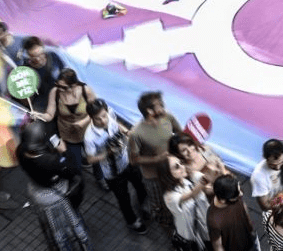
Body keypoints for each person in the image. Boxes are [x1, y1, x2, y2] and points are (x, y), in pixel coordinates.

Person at [17, 120, 91, 250]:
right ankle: (84, 243)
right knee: (73, 221)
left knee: (55, 228)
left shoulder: (20, 151)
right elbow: (72, 169)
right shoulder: (50, 161)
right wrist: (64, 152)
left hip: (37, 192)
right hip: (56, 196)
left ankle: (63, 247)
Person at [84, 99, 147, 234]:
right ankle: (132, 222)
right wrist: (107, 153)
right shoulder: (89, 137)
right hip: (113, 174)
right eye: (98, 118)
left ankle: (145, 206)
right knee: (123, 199)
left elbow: (116, 123)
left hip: (127, 161)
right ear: (91, 118)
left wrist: (126, 132)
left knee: (140, 185)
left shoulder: (110, 114)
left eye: (104, 116)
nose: (103, 120)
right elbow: (90, 159)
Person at [128, 91, 182, 227]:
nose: (163, 106)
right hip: (153, 177)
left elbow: (180, 134)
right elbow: (133, 160)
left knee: (176, 197)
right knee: (159, 205)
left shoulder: (168, 117)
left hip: (171, 170)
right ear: (149, 111)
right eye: (160, 105)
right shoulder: (136, 133)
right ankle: (165, 224)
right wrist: (156, 159)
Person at [39, 68, 97, 185]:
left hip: (88, 132)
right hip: (68, 134)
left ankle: (100, 178)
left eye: (64, 87)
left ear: (74, 85)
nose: (60, 89)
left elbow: (96, 111)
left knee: (95, 158)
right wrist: (39, 115)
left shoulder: (86, 91)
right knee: (75, 163)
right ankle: (79, 182)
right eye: (58, 85)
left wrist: (84, 121)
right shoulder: (55, 92)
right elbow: (49, 115)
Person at [159, 153, 211, 249]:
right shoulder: (169, 196)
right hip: (191, 238)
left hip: (206, 229)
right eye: (176, 167)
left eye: (181, 163)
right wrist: (204, 180)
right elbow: (191, 194)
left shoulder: (189, 179)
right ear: (167, 174)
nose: (182, 167)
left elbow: (205, 180)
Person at [207, 174, 258, 251]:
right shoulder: (213, 220)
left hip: (250, 240)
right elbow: (218, 247)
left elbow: (245, 211)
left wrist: (251, 228)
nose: (241, 194)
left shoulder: (233, 191)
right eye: (236, 196)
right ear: (223, 200)